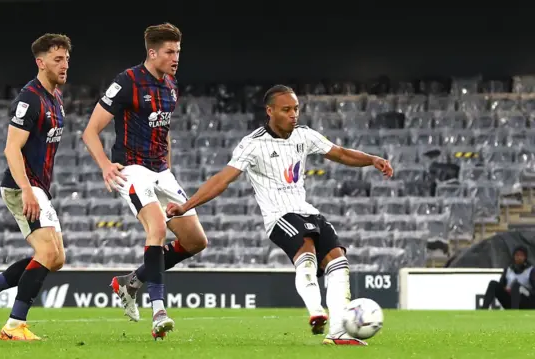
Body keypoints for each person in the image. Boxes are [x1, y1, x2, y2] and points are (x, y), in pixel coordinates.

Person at [165, 85, 393, 346]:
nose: (294, 114)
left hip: (306, 210)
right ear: (270, 111)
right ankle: (316, 310)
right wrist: (185, 206)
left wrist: (372, 159)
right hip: (279, 215)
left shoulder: (304, 136)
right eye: (286, 109)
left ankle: (339, 330)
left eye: (296, 108)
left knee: (337, 260)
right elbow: (221, 180)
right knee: (306, 252)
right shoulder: (253, 145)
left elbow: (340, 153)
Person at [82, 22, 208, 339]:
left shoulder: (171, 86)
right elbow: (90, 131)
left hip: (161, 171)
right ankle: (159, 312)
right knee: (158, 227)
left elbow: (163, 134)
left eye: (178, 51)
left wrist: (168, 171)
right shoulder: (127, 82)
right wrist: (105, 165)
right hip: (132, 168)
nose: (175, 57)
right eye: (169, 52)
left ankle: (130, 283)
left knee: (196, 241)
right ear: (152, 53)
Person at [0, 33, 71, 341]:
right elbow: (11, 149)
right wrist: (26, 189)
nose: (64, 65)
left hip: (38, 186)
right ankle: (14, 326)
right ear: (40, 62)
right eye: (57, 60)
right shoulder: (30, 98)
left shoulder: (55, 97)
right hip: (23, 185)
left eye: (66, 59)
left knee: (55, 258)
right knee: (48, 253)